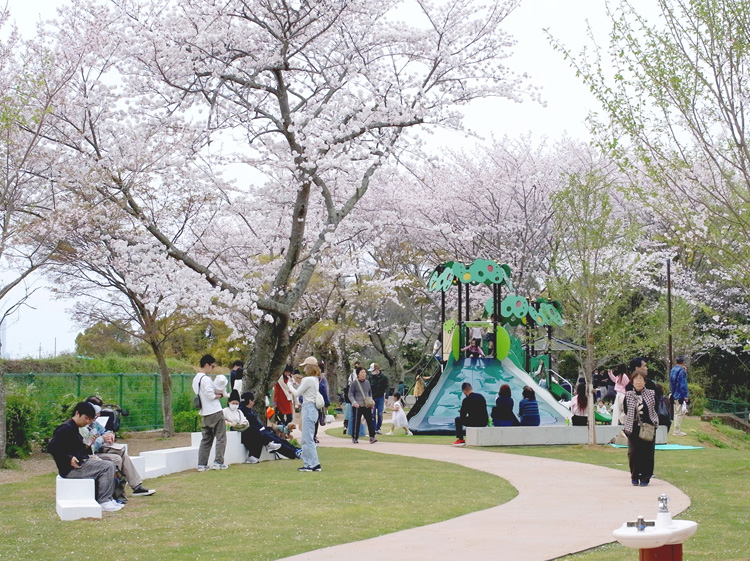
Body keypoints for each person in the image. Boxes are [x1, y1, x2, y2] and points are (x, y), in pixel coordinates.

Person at [47, 402, 123, 512]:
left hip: (80, 462)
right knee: (108, 466)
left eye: (90, 420)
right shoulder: (65, 428)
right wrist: (69, 458)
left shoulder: (74, 427)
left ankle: (109, 499)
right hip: (71, 469)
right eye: (86, 418)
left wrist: (87, 446)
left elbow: (75, 448)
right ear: (77, 413)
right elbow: (52, 447)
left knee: (109, 463)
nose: (87, 422)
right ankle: (104, 501)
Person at [83, 396, 155, 498]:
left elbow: (104, 431)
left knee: (122, 454)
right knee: (117, 458)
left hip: (99, 451)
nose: (98, 415)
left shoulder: (94, 423)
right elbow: (88, 446)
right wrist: (102, 439)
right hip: (90, 455)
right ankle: (112, 492)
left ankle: (136, 486)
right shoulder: (83, 425)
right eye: (96, 412)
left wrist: (110, 434)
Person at [193, 354, 229, 472]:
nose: (212, 368)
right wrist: (220, 395)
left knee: (206, 439)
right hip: (215, 411)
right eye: (212, 366)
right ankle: (218, 462)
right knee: (221, 437)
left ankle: (201, 464)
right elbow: (210, 395)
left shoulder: (196, 379)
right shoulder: (206, 379)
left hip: (204, 412)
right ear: (207, 365)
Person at [623, 369, 659, 486]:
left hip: (648, 427)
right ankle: (634, 475)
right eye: (636, 379)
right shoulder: (628, 395)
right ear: (632, 381)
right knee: (633, 453)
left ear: (645, 381)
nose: (639, 382)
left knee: (647, 453)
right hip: (632, 427)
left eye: (641, 379)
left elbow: (655, 409)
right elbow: (626, 410)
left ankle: (645, 477)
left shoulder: (651, 394)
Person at [289, 356, 323, 471]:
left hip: (308, 408)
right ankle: (310, 463)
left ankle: (313, 463)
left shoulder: (308, 380)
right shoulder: (314, 379)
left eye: (305, 367)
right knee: (308, 437)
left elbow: (298, 393)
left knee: (307, 439)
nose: (303, 369)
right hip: (312, 409)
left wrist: (289, 385)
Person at [237, 392, 285, 463]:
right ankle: (268, 445)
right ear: (250, 401)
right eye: (253, 401)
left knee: (260, 433)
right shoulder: (243, 411)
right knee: (257, 432)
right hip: (246, 434)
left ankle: (254, 457)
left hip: (252, 433)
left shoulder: (249, 410)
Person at [349, 366, 378, 444]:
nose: (363, 374)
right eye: (362, 372)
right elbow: (350, 394)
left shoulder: (367, 382)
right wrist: (354, 402)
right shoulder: (354, 383)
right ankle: (355, 437)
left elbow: (369, 393)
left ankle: (372, 437)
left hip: (366, 405)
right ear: (358, 374)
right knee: (356, 422)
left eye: (364, 372)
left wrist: (371, 403)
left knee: (370, 421)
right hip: (357, 405)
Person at [669, 356, 689, 437]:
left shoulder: (673, 370)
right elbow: (683, 383)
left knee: (676, 412)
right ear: (683, 362)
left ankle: (676, 429)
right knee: (679, 413)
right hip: (679, 394)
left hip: (674, 393)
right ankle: (677, 430)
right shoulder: (681, 371)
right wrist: (685, 395)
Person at [367, 363, 389, 435]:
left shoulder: (384, 377)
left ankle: (378, 428)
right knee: (372, 414)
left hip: (380, 397)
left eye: (373, 370)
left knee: (380, 414)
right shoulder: (370, 377)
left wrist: (386, 397)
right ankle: (373, 428)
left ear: (377, 369)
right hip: (372, 397)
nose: (372, 372)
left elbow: (387, 387)